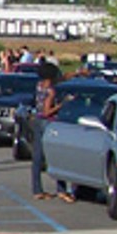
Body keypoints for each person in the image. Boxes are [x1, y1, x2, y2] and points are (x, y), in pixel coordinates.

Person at [29, 69, 70, 202]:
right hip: (47, 122)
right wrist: (61, 105)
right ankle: (61, 189)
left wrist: (76, 73)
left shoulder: (39, 86)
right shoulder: (51, 91)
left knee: (37, 157)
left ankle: (37, 190)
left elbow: (62, 78)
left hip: (37, 120)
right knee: (56, 155)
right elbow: (47, 112)